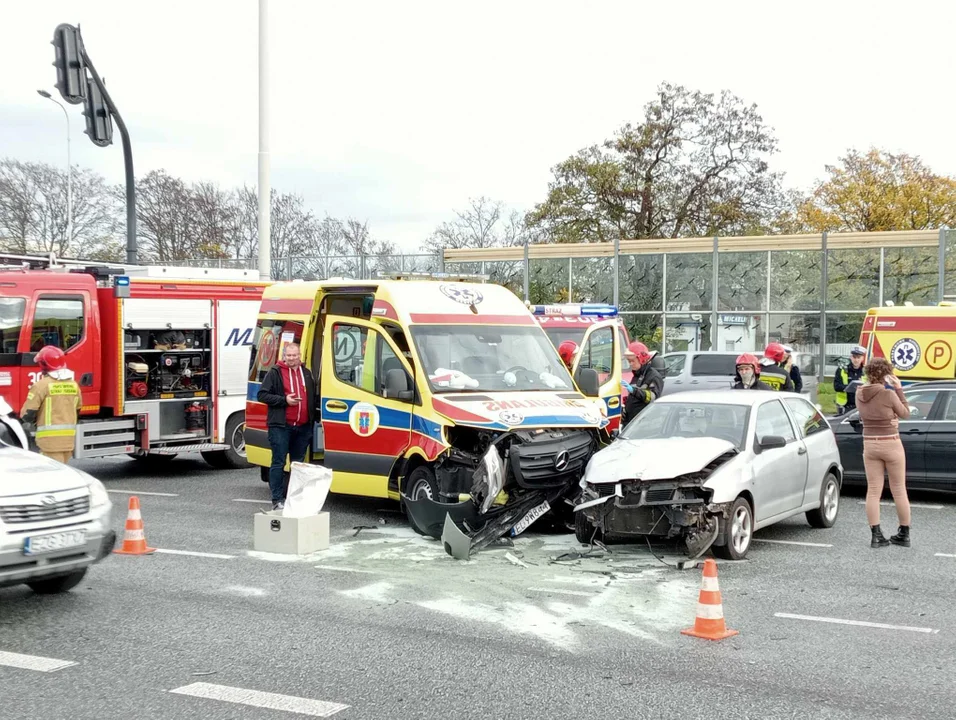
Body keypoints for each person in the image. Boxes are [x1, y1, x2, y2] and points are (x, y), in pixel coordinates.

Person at [856, 357, 911, 549]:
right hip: (891, 442)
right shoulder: (888, 395)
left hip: (869, 444)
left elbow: (869, 414)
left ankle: (876, 535)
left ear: (868, 373)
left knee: (873, 491)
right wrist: (898, 388)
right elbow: (905, 413)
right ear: (886, 374)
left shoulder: (859, 393)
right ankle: (903, 533)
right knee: (898, 488)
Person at [257, 343, 316, 511]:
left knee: (297, 465)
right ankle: (277, 499)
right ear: (284, 356)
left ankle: (295, 498)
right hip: (281, 426)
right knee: (278, 462)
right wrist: (285, 400)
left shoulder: (306, 373)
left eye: (294, 355)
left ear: (300, 356)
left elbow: (312, 397)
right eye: (288, 356)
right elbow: (262, 395)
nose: (291, 358)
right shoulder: (275, 372)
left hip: (303, 427)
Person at [20, 346, 81, 464]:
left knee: (53, 478)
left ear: (44, 365)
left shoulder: (41, 386)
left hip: (49, 443)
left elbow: (27, 414)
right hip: (68, 442)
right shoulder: (74, 385)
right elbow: (77, 410)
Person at [621, 341, 663, 427]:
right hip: (632, 421)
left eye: (632, 361)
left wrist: (634, 391)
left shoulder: (654, 377)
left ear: (641, 359)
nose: (630, 364)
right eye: (629, 361)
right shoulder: (637, 375)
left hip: (645, 424)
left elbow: (652, 397)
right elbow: (636, 397)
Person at [834, 345, 867, 415]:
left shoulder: (866, 371)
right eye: (854, 357)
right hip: (845, 406)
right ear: (851, 357)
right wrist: (850, 387)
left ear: (862, 358)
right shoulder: (842, 370)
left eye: (858, 357)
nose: (856, 360)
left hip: (862, 405)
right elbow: (836, 387)